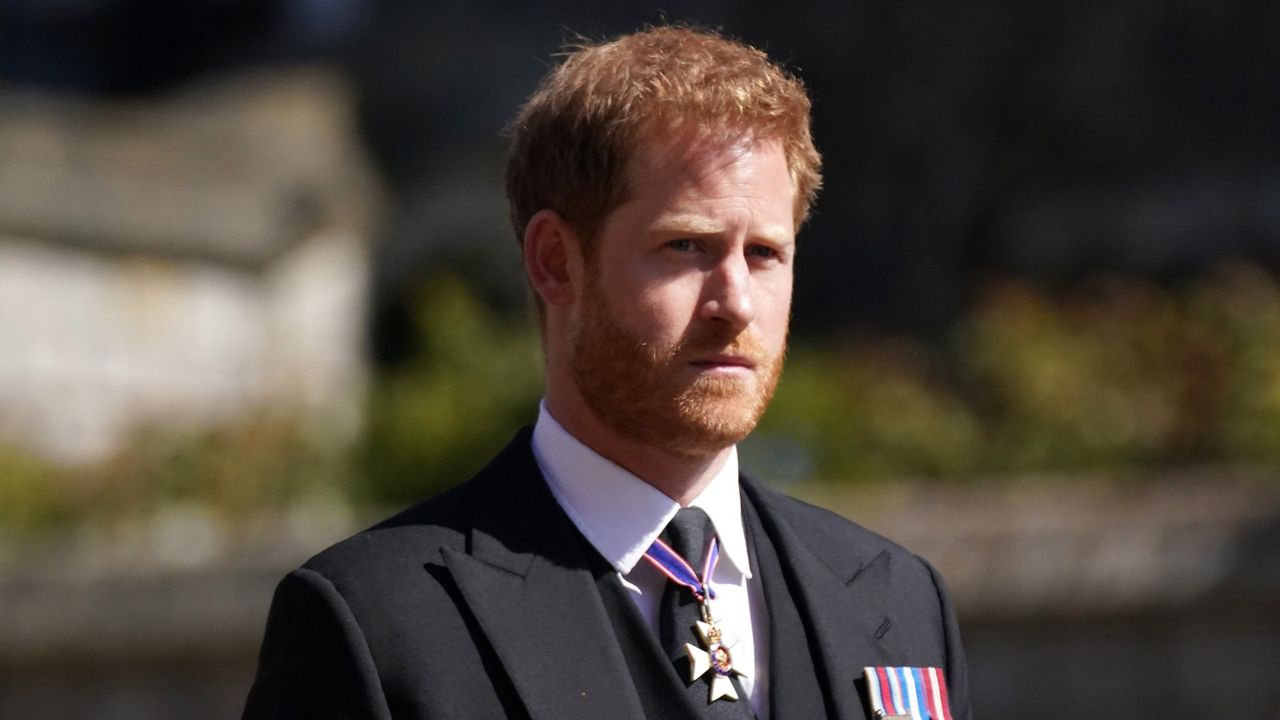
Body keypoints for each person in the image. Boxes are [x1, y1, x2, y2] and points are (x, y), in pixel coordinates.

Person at [243, 25, 972, 720]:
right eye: (686, 246)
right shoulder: (378, 622)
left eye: (764, 254)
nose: (735, 304)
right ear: (555, 261)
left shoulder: (899, 601)